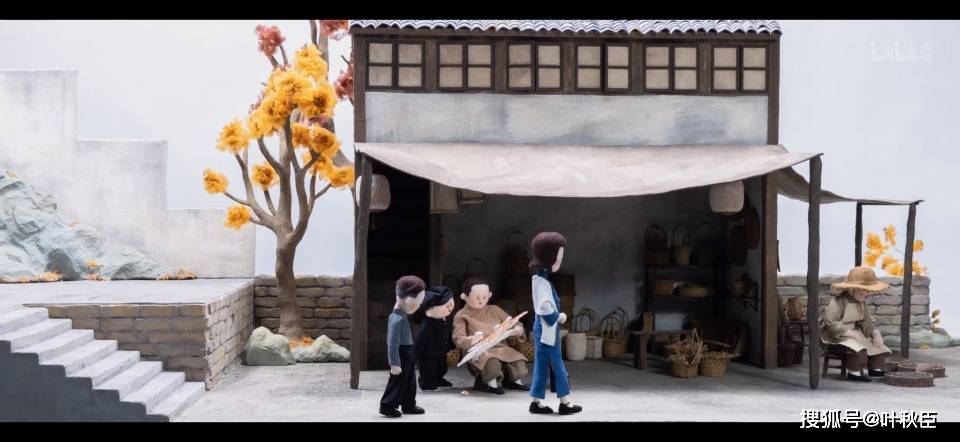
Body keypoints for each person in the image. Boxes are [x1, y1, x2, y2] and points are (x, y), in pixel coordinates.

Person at [528, 232, 582, 415]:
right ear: (549, 259)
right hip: (546, 329)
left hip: (544, 329)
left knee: (542, 365)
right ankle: (565, 403)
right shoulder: (541, 282)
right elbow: (544, 308)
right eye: (559, 259)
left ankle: (536, 402)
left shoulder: (540, 279)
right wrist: (559, 317)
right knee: (558, 366)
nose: (560, 262)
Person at [452, 275, 529, 394]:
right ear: (464, 296)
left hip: (500, 346)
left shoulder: (494, 309)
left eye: (484, 297)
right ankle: (491, 384)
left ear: (489, 295)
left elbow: (511, 322)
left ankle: (515, 381)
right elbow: (458, 337)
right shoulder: (462, 315)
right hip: (478, 350)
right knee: (490, 361)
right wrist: (471, 339)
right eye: (477, 297)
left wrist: (518, 329)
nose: (481, 300)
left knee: (516, 358)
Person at [819, 266, 894, 382]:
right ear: (854, 288)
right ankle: (854, 372)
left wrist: (875, 333)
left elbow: (866, 322)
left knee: (878, 347)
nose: (867, 293)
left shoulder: (861, 303)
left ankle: (875, 369)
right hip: (837, 336)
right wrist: (850, 333)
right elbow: (830, 322)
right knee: (858, 349)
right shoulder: (839, 301)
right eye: (865, 290)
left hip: (855, 334)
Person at [379, 275, 427, 418]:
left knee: (410, 381)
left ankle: (408, 404)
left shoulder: (402, 317)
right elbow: (392, 344)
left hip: (407, 352)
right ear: (406, 300)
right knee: (397, 381)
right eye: (416, 304)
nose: (418, 307)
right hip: (401, 354)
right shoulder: (396, 320)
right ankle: (387, 405)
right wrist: (394, 363)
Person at [414, 285, 456, 391]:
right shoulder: (428, 323)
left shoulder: (445, 318)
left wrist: (452, 346)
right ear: (432, 308)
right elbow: (419, 340)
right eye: (447, 306)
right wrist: (413, 356)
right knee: (429, 369)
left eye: (451, 304)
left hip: (441, 352)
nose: (450, 308)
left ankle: (438, 379)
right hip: (428, 354)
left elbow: (448, 333)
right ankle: (425, 382)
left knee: (442, 368)